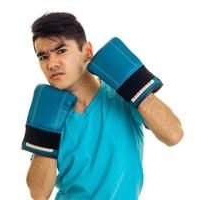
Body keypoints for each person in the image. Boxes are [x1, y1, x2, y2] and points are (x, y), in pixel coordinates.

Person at [22, 12, 183, 200]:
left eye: (61, 51)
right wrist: (44, 136)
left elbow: (173, 135)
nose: (51, 64)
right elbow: (39, 194)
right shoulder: (49, 111)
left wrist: (135, 86)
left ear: (88, 51)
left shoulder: (121, 96)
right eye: (43, 57)